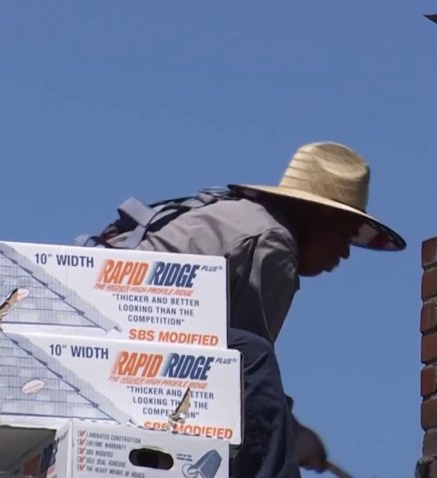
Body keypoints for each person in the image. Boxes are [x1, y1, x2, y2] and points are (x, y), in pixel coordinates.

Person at [96, 141, 405, 477]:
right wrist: (294, 435)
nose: (345, 253)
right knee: (251, 358)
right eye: (345, 236)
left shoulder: (237, 215)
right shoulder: (273, 243)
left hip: (117, 346)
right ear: (320, 216)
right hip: (129, 346)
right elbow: (241, 380)